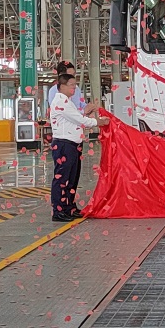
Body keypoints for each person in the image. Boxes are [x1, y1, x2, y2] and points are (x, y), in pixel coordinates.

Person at [48, 73, 97, 221]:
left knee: (72, 178)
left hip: (73, 144)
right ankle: (59, 210)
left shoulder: (68, 102)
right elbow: (79, 119)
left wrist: (85, 112)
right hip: (64, 144)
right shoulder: (60, 102)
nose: (74, 88)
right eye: (71, 85)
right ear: (61, 86)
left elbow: (76, 117)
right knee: (62, 178)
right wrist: (98, 122)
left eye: (75, 85)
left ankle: (69, 207)